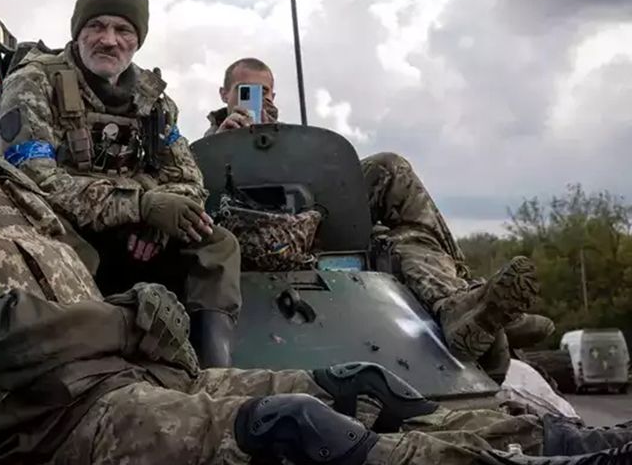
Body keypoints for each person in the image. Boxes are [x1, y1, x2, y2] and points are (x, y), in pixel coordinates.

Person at [0, 0, 632, 465]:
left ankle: (552, 441)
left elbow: (168, 192)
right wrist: (130, 313)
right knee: (295, 428)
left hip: (114, 381)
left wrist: (158, 232)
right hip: (34, 422)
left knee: (356, 386)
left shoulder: (12, 180)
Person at [203, 56, 554, 364]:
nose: (260, 98)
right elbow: (198, 194)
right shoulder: (205, 148)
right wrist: (222, 141)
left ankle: (463, 304)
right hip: (240, 239)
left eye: (266, 92)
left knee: (395, 191)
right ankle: (472, 306)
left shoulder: (292, 140)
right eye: (246, 90)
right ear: (224, 94)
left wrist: (282, 141)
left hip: (310, 228)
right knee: (397, 240)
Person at [0, 0, 241, 367]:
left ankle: (214, 369)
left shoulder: (154, 101)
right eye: (96, 26)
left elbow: (188, 179)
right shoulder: (33, 82)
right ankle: (92, 369)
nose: (108, 40)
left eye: (123, 30)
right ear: (77, 33)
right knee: (63, 247)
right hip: (67, 228)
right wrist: (140, 206)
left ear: (137, 40)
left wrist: (159, 223)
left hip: (138, 230)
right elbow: (34, 181)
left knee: (217, 244)